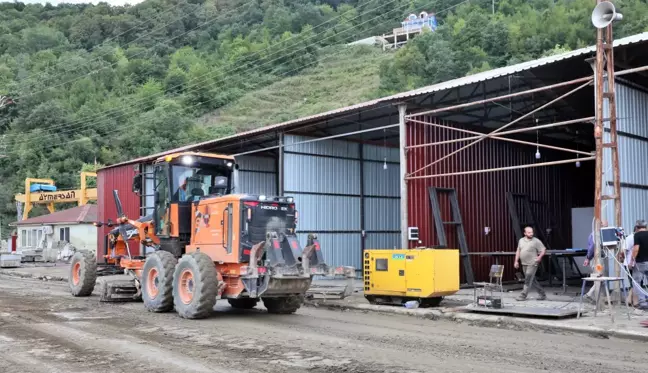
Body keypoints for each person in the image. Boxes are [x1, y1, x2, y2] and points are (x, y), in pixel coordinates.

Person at [514, 226, 547, 301]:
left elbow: (543, 249)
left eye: (532, 232)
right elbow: (518, 251)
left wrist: (539, 257)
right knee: (532, 279)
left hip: (533, 263)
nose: (531, 234)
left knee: (528, 279)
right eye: (529, 232)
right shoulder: (521, 240)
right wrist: (516, 261)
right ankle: (542, 294)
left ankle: (523, 295)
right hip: (524, 263)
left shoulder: (536, 241)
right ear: (525, 233)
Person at [583, 220, 608, 302]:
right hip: (596, 260)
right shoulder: (595, 235)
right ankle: (589, 295)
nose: (606, 227)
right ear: (600, 225)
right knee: (600, 276)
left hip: (600, 259)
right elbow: (591, 248)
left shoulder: (601, 234)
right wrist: (587, 258)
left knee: (601, 277)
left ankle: (596, 296)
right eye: (605, 225)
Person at [630, 220, 648, 310]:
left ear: (636, 228)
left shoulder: (637, 235)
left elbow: (636, 249)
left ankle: (643, 302)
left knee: (636, 283)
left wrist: (631, 261)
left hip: (640, 263)